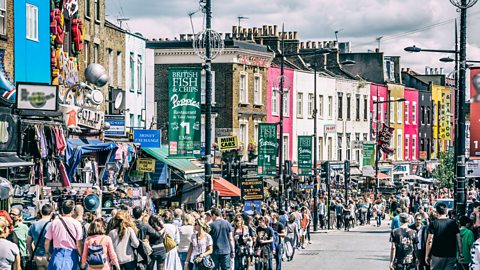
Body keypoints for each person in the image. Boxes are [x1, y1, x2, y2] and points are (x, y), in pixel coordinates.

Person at [44, 200, 83, 270]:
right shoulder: (77, 224)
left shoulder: (54, 223)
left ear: (62, 210)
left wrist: (47, 253)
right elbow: (79, 244)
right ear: (72, 211)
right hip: (71, 255)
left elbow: (47, 241)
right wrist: (81, 255)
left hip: (57, 254)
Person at [425, 203, 462, 270]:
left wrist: (427, 255)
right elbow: (459, 239)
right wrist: (460, 252)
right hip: (451, 255)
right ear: (446, 211)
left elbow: (430, 240)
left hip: (437, 254)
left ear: (437, 211)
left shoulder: (433, 223)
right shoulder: (453, 223)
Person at [26, 204, 53, 270]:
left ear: (41, 212)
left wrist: (31, 255)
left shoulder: (34, 225)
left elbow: (28, 243)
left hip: (37, 255)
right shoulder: (52, 225)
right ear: (51, 213)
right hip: (50, 255)